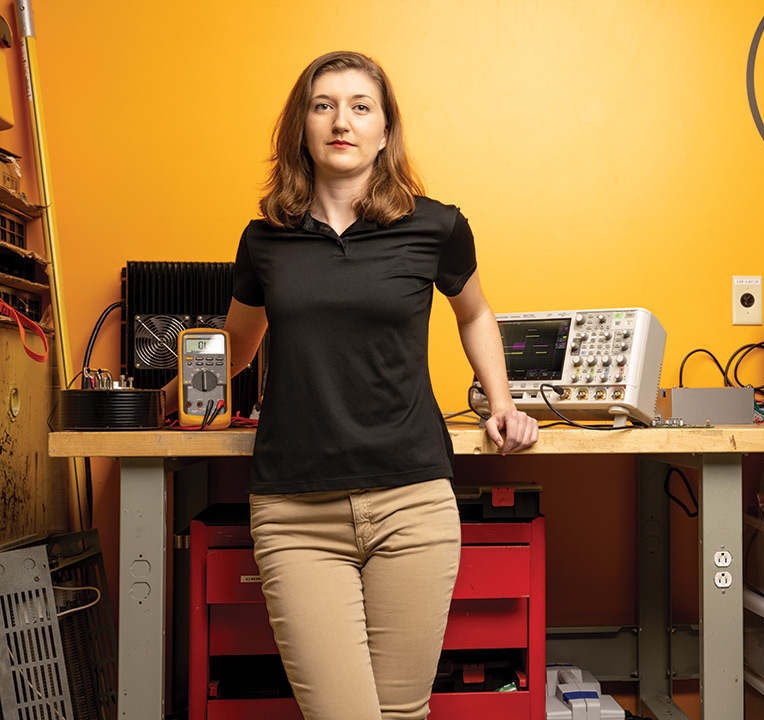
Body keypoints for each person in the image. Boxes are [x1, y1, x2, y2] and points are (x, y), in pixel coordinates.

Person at [167, 50, 538, 719]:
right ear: (301, 129)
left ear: (386, 130)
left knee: (402, 712)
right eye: (324, 105)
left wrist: (503, 403)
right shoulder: (265, 240)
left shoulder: (436, 225)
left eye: (361, 106)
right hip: (294, 512)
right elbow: (238, 344)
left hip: (413, 501)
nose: (343, 120)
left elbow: (475, 311)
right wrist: (165, 399)